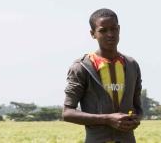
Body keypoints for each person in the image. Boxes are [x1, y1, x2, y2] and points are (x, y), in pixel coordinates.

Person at [62, 8, 144, 143]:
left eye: (114, 29)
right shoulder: (82, 67)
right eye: (103, 30)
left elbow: (138, 108)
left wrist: (136, 119)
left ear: (119, 29)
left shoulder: (131, 65)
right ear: (93, 34)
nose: (110, 34)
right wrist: (107, 119)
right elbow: (67, 113)